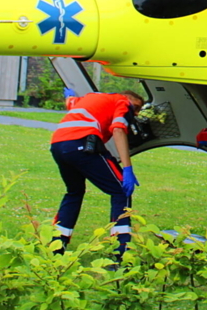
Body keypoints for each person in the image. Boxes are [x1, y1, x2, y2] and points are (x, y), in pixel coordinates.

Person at [50, 90, 144, 258]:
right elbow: (118, 130)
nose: (135, 112)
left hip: (58, 145)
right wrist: (128, 169)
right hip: (82, 143)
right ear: (128, 97)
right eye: (136, 107)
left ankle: (56, 247)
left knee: (74, 192)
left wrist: (69, 94)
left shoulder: (91, 97)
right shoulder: (121, 101)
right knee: (121, 190)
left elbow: (70, 102)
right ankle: (121, 250)